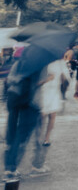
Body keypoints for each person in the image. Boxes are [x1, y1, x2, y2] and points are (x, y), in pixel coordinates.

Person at [3, 52, 49, 182]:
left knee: (11, 133)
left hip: (14, 99)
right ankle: (12, 169)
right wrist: (48, 79)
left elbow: (10, 79)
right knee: (22, 135)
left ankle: (8, 167)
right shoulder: (42, 64)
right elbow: (38, 82)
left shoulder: (19, 62)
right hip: (31, 102)